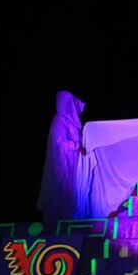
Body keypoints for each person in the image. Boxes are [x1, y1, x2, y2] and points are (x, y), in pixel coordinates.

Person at [37, 91, 86, 222]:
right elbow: (60, 140)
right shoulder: (59, 120)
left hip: (72, 163)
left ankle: (66, 225)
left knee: (69, 195)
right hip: (62, 163)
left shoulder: (72, 122)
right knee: (58, 192)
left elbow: (80, 138)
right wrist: (77, 146)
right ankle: (52, 227)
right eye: (70, 103)